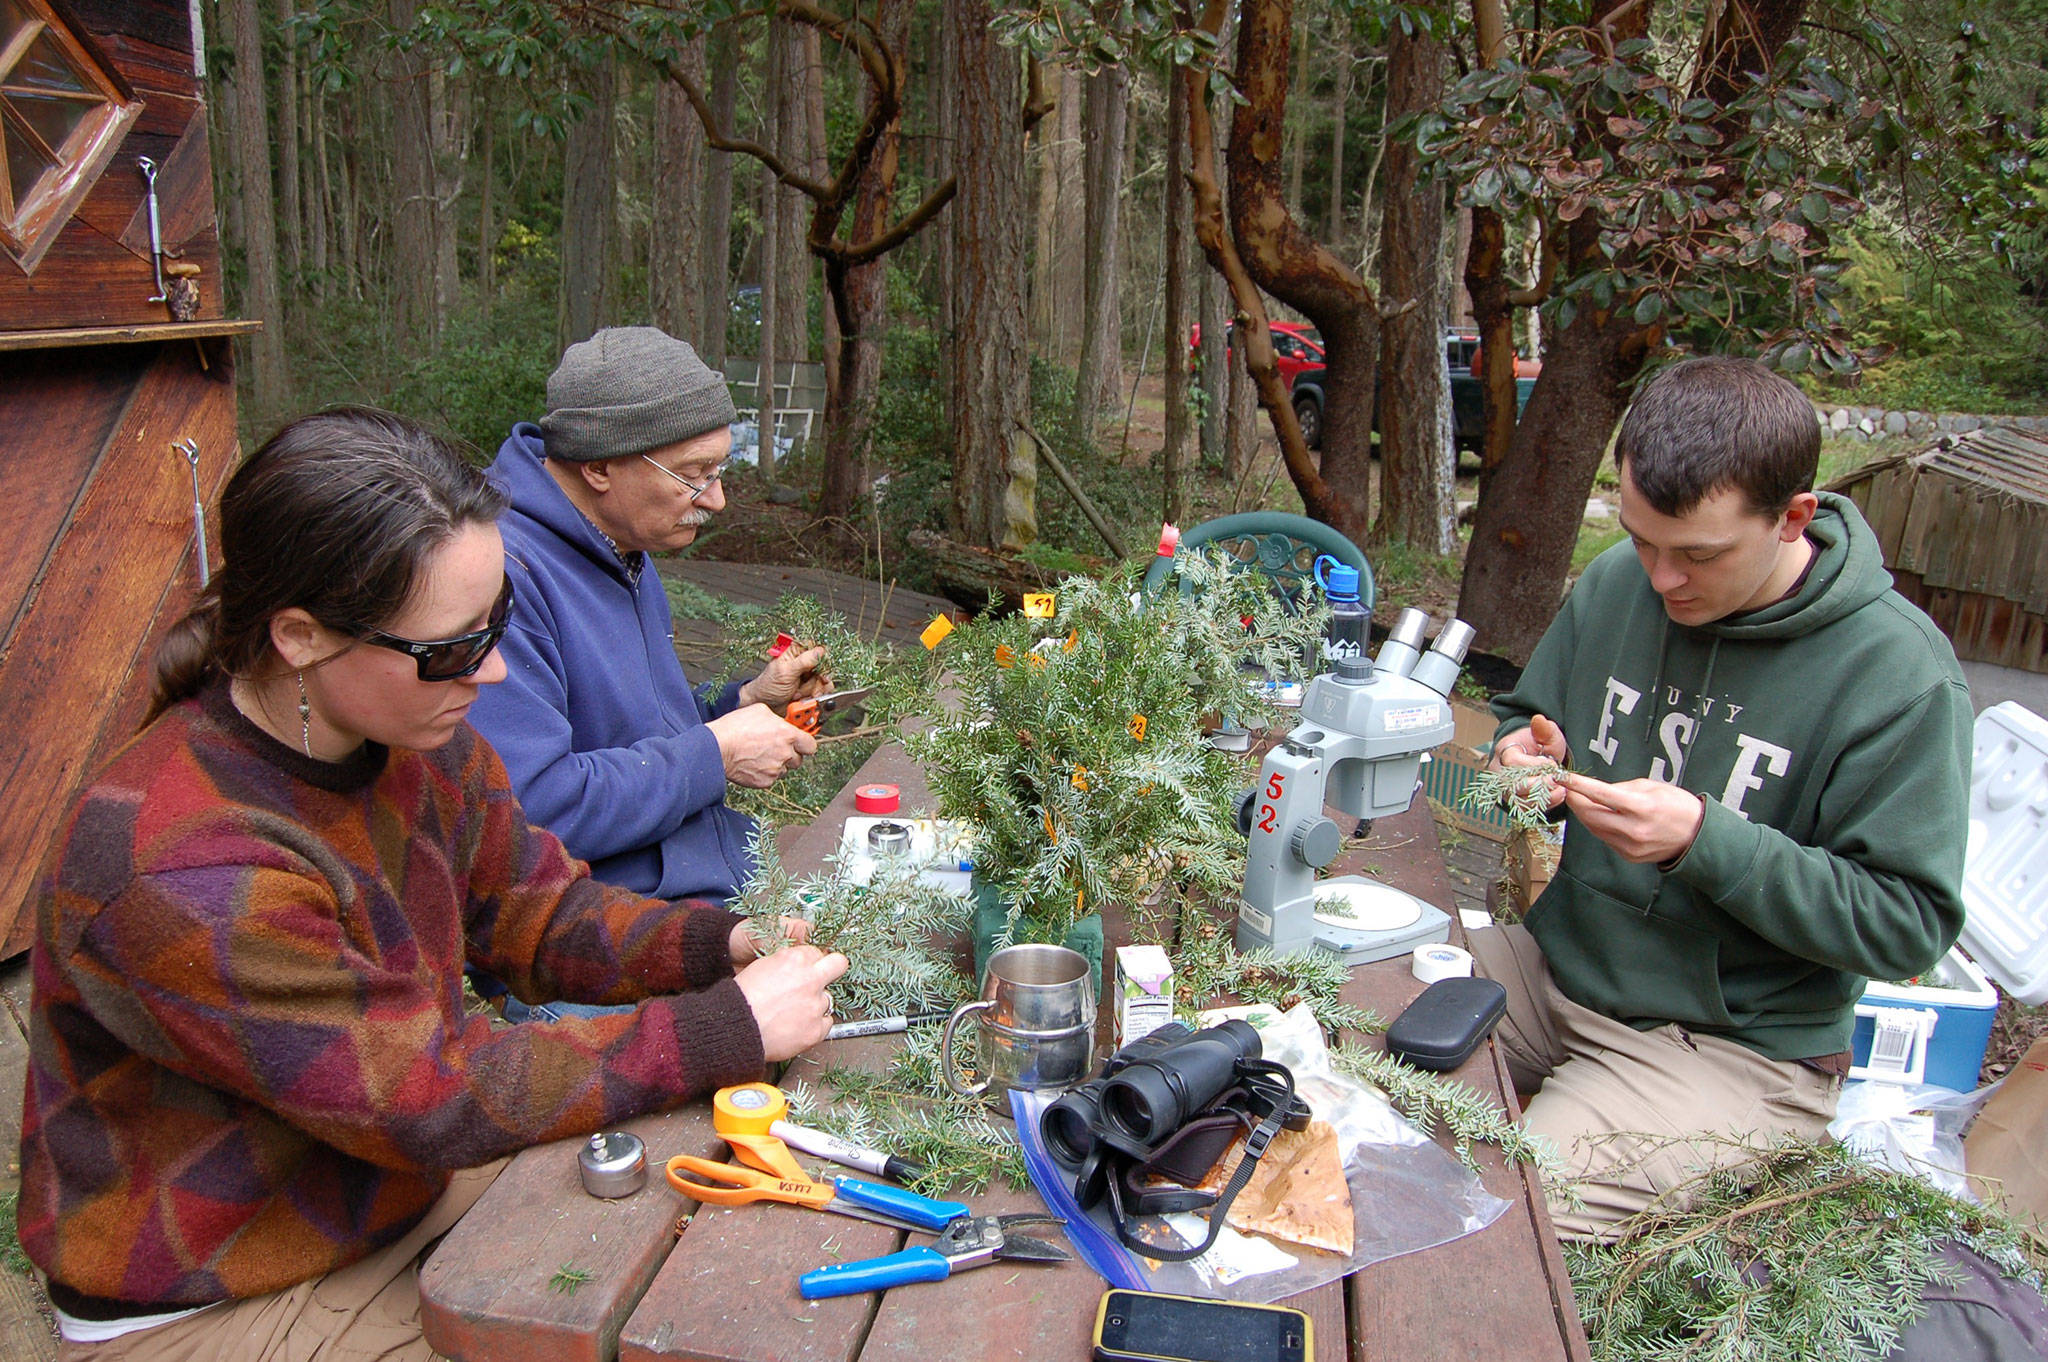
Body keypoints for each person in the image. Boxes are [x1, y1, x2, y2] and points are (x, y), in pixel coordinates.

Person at [16, 408, 847, 1360]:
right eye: (451, 648)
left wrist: (721, 944)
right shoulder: (186, 869)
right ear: (299, 636)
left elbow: (540, 915)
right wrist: (724, 1026)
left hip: (388, 1187)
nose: (492, 671)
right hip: (220, 1288)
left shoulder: (417, 736)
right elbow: (427, 1096)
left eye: (498, 623)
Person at [1473, 355, 1971, 1241]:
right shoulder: (1619, 584)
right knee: (1341, 1034)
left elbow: (1907, 924)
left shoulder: (1899, 675)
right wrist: (1524, 758)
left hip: (1735, 1050)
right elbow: (1526, 717)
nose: (1662, 579)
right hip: (1558, 972)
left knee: (1508, 1220)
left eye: (1699, 555)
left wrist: (1706, 843)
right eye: (1642, 540)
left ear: (1794, 518)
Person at [468, 328, 823, 942]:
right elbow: (530, 810)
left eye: (718, 469)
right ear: (599, 466)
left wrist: (742, 702)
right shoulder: (498, 576)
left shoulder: (620, 541)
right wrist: (716, 754)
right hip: (611, 938)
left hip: (712, 878)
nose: (716, 499)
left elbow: (630, 733)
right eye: (693, 475)